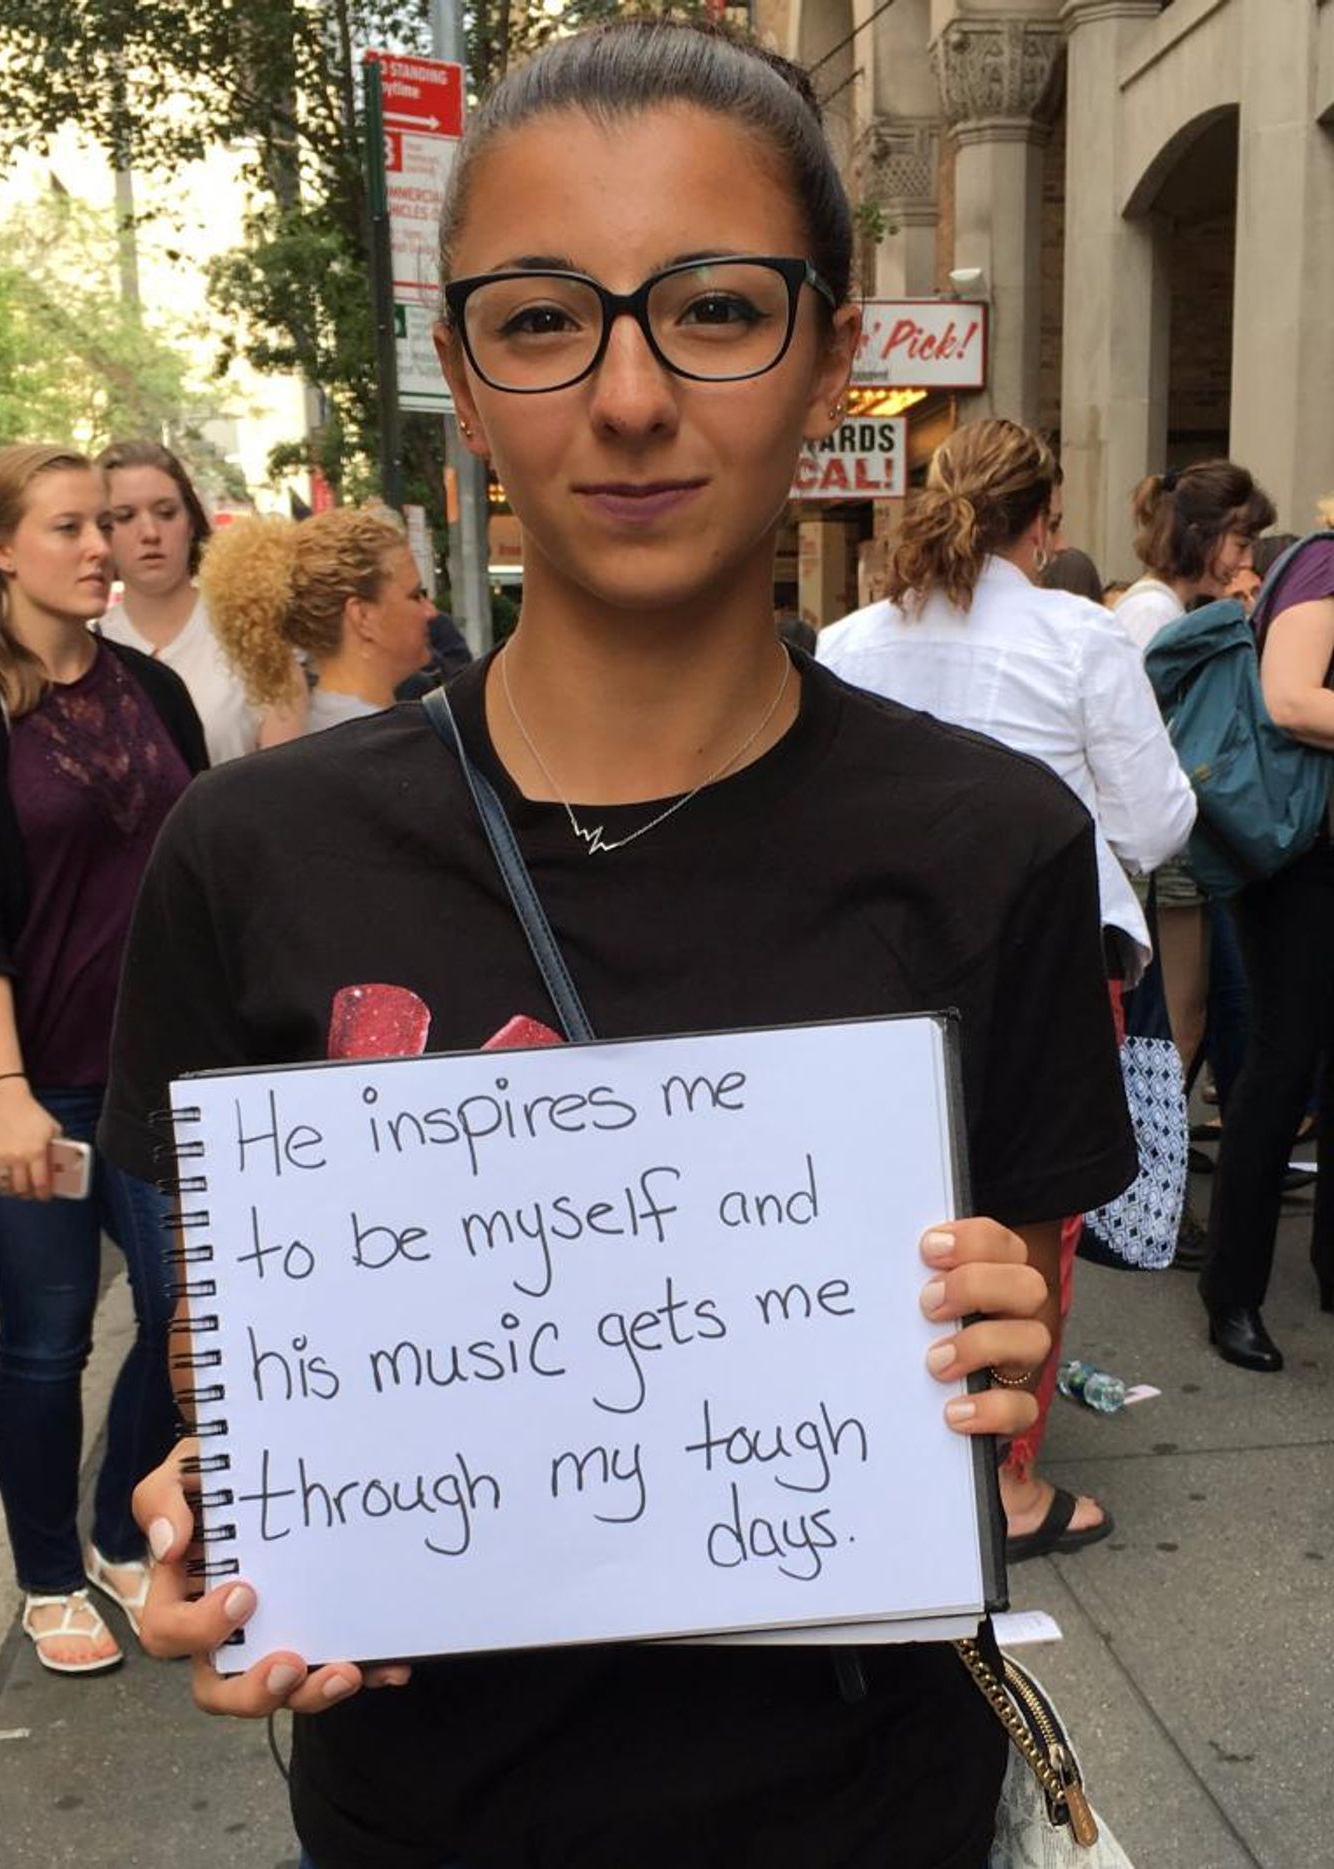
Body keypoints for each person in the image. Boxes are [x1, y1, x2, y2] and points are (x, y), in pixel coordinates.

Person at [105, 22, 1135, 1867]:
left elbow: (1009, 1344)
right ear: (463, 372)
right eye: (543, 317)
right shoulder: (251, 851)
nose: (633, 395)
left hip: (865, 1813)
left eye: (717, 308)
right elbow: (217, 1335)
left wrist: (994, 1341)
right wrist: (228, 1481)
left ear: (829, 353)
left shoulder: (996, 848)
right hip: (419, 1814)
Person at [819, 418, 1193, 1565]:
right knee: (1034, 1213)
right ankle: (1006, 1482)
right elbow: (1152, 821)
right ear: (1040, 522)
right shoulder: (1076, 636)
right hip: (1046, 962)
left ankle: (881, 1439)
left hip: (877, 961)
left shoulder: (845, 641)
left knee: (889, 1209)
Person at [0, 444, 207, 1674]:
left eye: (106, 523)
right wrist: (3, 1094)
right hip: (22, 1072)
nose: (100, 545)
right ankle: (46, 1569)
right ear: (2, 551)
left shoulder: (154, 690)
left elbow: (203, 876)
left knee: (175, 1318)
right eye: (69, 527)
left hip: (153, 1066)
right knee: (48, 1330)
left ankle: (112, 1526)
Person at [1111, 464, 1275, 1236]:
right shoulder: (1153, 614)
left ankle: (1152, 1191)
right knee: (1175, 1025)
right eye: (1240, 539)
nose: (1247, 556)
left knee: (1185, 1020)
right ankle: (1147, 1199)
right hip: (1169, 846)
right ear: (1206, 539)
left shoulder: (1163, 607)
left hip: (1177, 845)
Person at [1201, 519, 1334, 1368]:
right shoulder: (1323, 563)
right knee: (1283, 1066)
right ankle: (1232, 1289)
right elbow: (1288, 697)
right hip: (1300, 860)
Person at [96, 440, 308, 762]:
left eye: (166, 513)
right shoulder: (88, 647)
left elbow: (283, 783)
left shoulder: (255, 632)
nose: (150, 532)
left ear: (191, 522)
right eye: (124, 517)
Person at [198, 508, 433, 733]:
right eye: (415, 596)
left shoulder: (320, 727)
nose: (430, 611)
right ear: (362, 616)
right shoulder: (381, 743)